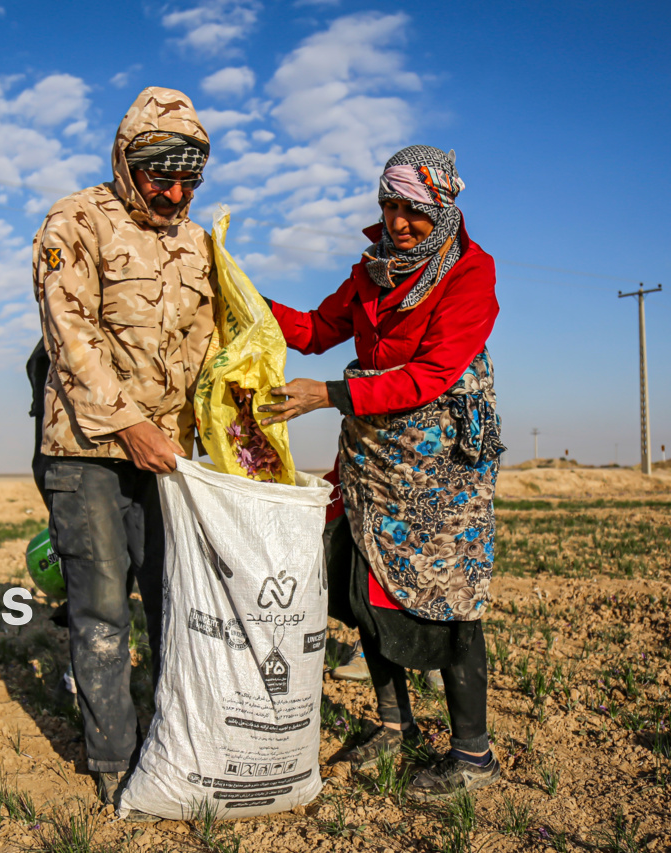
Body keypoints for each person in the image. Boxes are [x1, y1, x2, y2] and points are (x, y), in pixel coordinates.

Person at [259, 145, 505, 800]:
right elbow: (314, 329)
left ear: (442, 209)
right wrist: (245, 300)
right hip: (372, 461)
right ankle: (394, 725)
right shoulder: (372, 274)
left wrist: (330, 395)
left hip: (439, 473)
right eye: (389, 207)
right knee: (366, 587)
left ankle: (474, 757)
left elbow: (430, 376)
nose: (398, 223)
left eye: (414, 211)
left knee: (448, 601)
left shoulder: (470, 275)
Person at [30, 87, 216, 805]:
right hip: (86, 450)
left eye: (187, 180)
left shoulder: (199, 243)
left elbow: (209, 346)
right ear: (125, 160)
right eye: (159, 176)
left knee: (175, 603)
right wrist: (129, 423)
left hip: (166, 458)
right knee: (103, 608)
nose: (173, 192)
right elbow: (69, 337)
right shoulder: (74, 220)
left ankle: (176, 749)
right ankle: (115, 764)